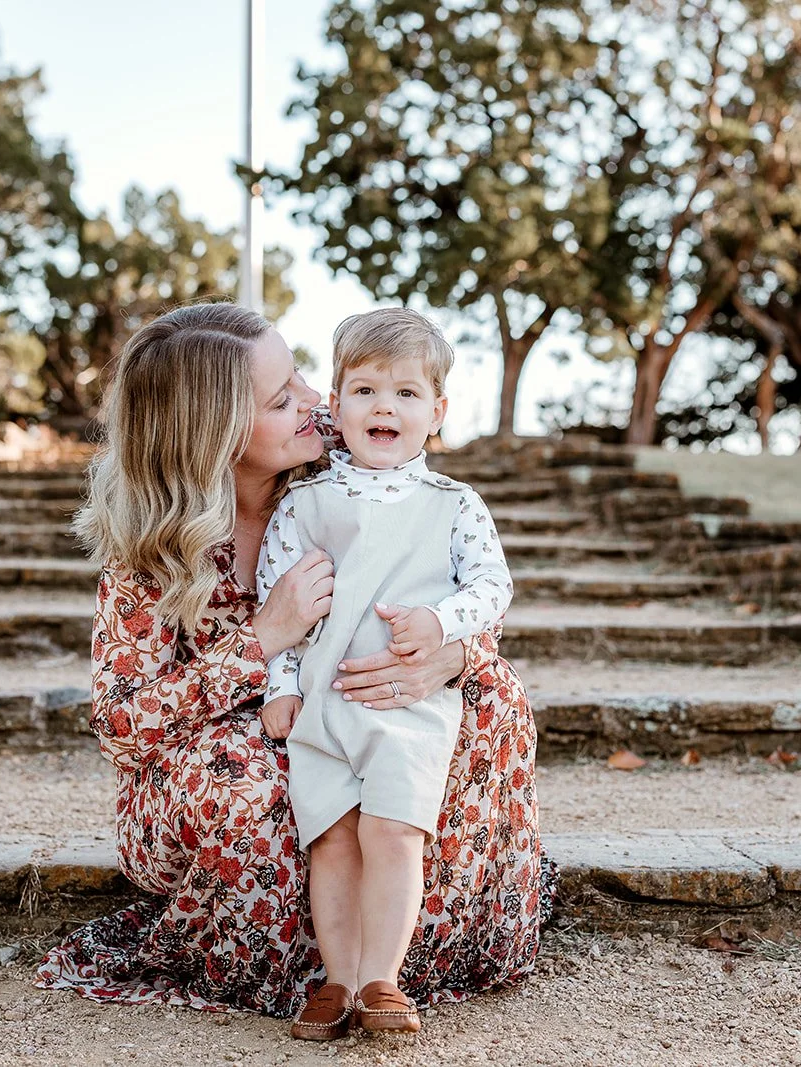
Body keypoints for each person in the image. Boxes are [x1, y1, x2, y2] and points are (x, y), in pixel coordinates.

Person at [35, 301, 553, 1024]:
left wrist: (448, 653)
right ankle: (309, 970)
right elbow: (122, 723)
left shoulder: (348, 473)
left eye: (302, 376)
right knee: (266, 776)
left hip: (348, 703)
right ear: (214, 435)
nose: (317, 400)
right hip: (214, 750)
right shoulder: (149, 552)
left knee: (490, 695)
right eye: (283, 399)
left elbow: (457, 580)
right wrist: (263, 638)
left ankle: (402, 959)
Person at [255, 308, 514, 1038]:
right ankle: (335, 980)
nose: (384, 407)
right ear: (335, 407)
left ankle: (382, 978)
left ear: (436, 411)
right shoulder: (305, 505)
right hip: (326, 703)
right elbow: (281, 607)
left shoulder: (454, 505)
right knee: (332, 838)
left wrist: (445, 622)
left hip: (409, 706)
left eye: (405, 393)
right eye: (364, 390)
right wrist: (282, 687)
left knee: (395, 833)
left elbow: (494, 586)